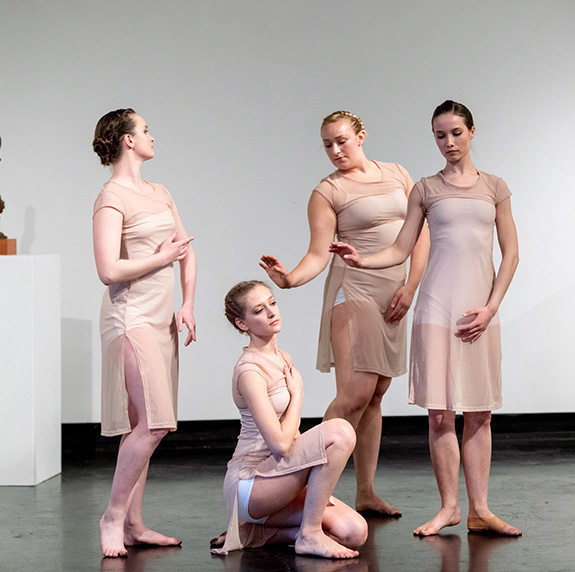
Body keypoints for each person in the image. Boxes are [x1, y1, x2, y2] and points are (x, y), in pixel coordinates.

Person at [330, 100, 521, 537]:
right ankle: (450, 507)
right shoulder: (424, 188)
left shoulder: (495, 187)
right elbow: (400, 249)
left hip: (480, 311)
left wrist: (491, 307)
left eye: (456, 133)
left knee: (480, 414)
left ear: (472, 132)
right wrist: (360, 260)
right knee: (440, 415)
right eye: (440, 135)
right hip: (437, 308)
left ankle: (481, 510)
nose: (448, 142)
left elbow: (510, 253)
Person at [260, 111, 429, 517]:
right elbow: (319, 254)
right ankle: (308, 492)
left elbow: (419, 235)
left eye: (341, 141)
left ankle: (366, 492)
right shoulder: (327, 192)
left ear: (361, 136)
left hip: (394, 292)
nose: (335, 151)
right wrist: (289, 279)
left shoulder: (397, 174)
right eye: (327, 145)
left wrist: (411, 287)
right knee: (353, 396)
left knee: (375, 396)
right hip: (353, 290)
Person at [91, 108, 197, 557]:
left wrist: (187, 302)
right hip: (130, 316)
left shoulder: (160, 191)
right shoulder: (111, 197)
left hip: (161, 318)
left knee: (144, 423)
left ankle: (134, 523)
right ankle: (113, 516)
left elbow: (186, 250)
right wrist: (162, 258)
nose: (153, 135)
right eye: (146, 129)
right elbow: (108, 269)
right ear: (128, 141)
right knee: (154, 423)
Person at [213, 280, 367, 558]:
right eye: (259, 310)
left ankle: (255, 534)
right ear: (242, 324)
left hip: (283, 475)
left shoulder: (283, 357)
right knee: (341, 431)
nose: (272, 312)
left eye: (272, 303)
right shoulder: (250, 371)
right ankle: (309, 534)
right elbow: (281, 446)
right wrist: (298, 395)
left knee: (354, 532)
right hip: (252, 484)